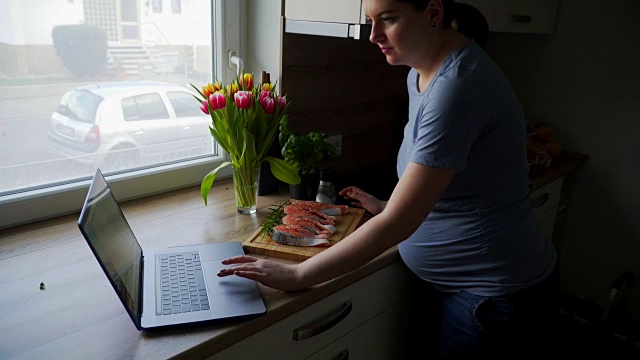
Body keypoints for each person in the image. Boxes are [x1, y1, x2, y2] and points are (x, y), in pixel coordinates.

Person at [217, 0, 560, 358]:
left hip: (494, 296)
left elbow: (400, 224)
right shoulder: (420, 71)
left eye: (389, 19)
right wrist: (386, 205)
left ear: (433, 13)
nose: (373, 35)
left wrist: (300, 276)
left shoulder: (459, 88)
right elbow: (444, 181)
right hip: (461, 286)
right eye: (369, 21)